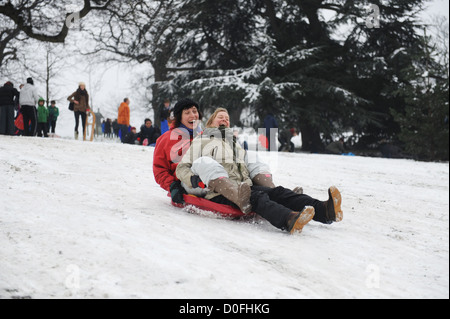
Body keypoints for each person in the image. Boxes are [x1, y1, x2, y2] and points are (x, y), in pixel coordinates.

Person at [176, 108, 343, 234]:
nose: (225, 120)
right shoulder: (201, 140)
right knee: (257, 197)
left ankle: (324, 210)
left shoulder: (234, 143)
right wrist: (193, 180)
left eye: (227, 119)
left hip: (244, 187)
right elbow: (182, 167)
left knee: (278, 192)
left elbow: (247, 168)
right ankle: (288, 219)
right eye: (220, 117)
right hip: (220, 192)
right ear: (211, 122)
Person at [153, 98, 203, 198]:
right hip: (186, 184)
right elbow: (159, 169)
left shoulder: (204, 136)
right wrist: (172, 186)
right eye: (187, 112)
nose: (193, 115)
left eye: (194, 111)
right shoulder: (166, 139)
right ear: (179, 117)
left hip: (209, 178)